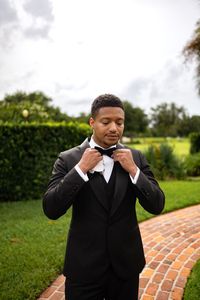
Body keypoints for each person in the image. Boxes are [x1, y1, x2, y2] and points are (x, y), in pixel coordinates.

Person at [43, 94, 165, 300]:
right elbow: (51, 208)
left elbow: (157, 204)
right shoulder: (68, 158)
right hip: (84, 268)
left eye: (119, 122)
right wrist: (81, 169)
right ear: (92, 122)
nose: (114, 128)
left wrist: (134, 170)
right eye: (106, 122)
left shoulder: (135, 157)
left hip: (126, 267)